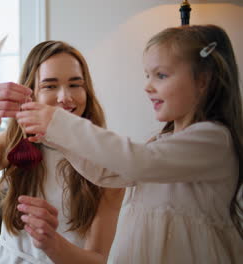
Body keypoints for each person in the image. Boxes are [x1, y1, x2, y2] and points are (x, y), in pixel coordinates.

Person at [17, 25, 243, 263]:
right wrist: (55, 138)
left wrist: (59, 123)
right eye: (148, 75)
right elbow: (107, 173)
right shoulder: (163, 142)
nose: (148, 86)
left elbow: (137, 161)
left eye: (161, 75)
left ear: (203, 80)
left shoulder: (213, 140)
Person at [0, 40, 124, 263]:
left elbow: (97, 259)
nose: (65, 97)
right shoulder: (11, 143)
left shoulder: (107, 157)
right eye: (50, 86)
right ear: (31, 94)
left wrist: (51, 243)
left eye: (75, 84)